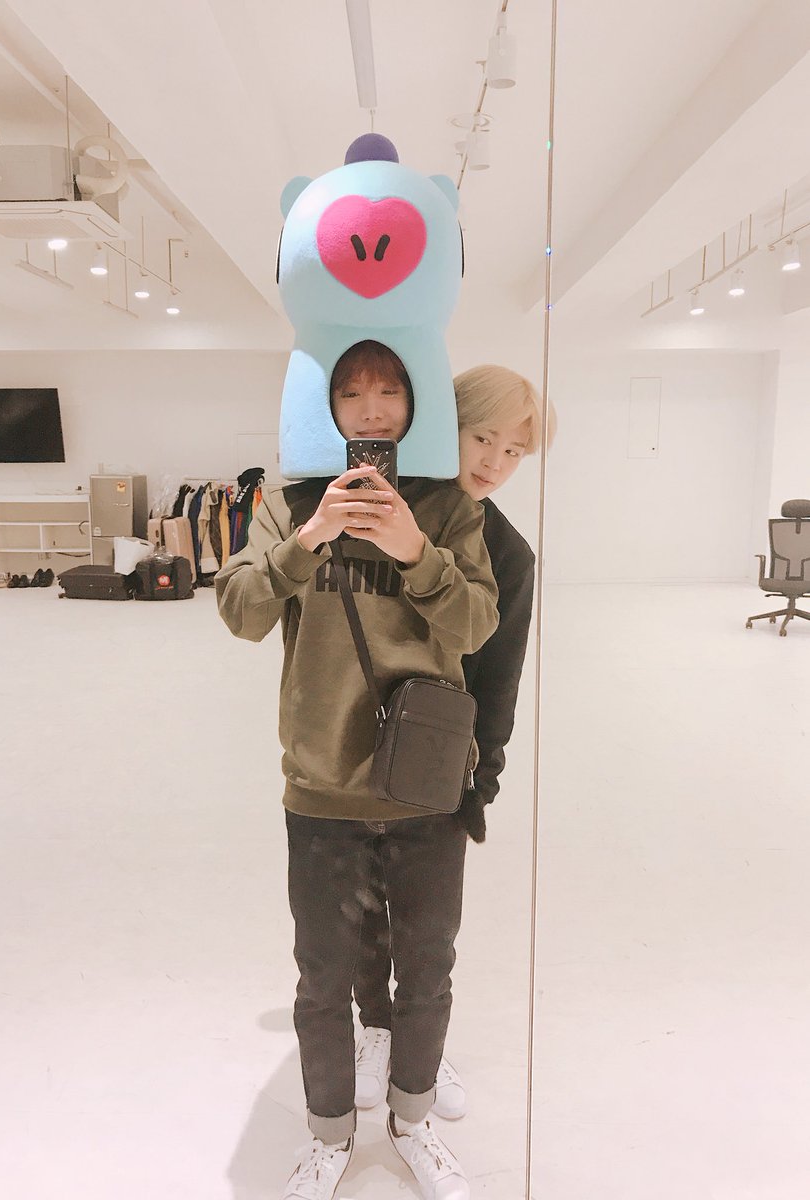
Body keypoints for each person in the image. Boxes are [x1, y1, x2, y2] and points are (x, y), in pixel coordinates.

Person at [215, 340, 499, 1200]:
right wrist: (310, 539)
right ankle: (329, 1137)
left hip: (424, 781)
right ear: (326, 405)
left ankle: (412, 1124)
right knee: (322, 979)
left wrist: (417, 551)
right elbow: (240, 611)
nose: (372, 409)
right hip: (322, 782)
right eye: (351, 392)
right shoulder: (288, 503)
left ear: (414, 401)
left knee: (428, 969)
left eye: (388, 390)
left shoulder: (447, 507)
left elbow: (477, 625)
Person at [351, 364, 556, 1120]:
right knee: (361, 912)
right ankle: (375, 1031)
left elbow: (500, 679)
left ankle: (422, 1050)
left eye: (515, 451)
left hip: (436, 757)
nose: (495, 462)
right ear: (445, 424)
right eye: (483, 438)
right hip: (352, 747)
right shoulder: (377, 512)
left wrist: (482, 781)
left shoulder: (509, 555)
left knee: (428, 927)